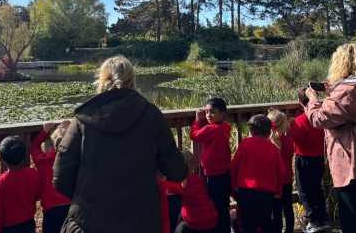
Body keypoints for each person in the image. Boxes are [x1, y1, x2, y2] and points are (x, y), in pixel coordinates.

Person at [53, 55, 187, 233]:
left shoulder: (84, 119)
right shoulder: (151, 115)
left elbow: (61, 177)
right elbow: (176, 171)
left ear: (101, 79)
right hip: (141, 223)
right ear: (132, 80)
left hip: (88, 224)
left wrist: (86, 199)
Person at [305, 43, 356, 233]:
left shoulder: (347, 91)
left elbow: (319, 118)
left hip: (352, 163)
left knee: (352, 216)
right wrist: (332, 95)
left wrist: (313, 98)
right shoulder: (350, 90)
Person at [230, 114, 286, 233]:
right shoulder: (273, 148)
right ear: (269, 132)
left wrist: (234, 188)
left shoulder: (245, 143)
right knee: (264, 222)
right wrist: (278, 190)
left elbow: (234, 166)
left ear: (251, 131)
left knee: (247, 224)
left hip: (246, 192)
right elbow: (281, 172)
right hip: (265, 194)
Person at [290, 87, 329, 233]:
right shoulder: (322, 116)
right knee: (317, 188)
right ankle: (322, 219)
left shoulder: (301, 120)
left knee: (305, 190)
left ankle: (313, 221)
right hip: (319, 157)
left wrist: (291, 126)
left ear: (300, 101)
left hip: (304, 158)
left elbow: (296, 138)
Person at [190, 97, 231, 233]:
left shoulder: (211, 129)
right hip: (224, 172)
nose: (208, 115)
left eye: (212, 112)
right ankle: (224, 228)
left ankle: (218, 229)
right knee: (223, 205)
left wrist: (197, 120)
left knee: (215, 205)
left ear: (222, 114)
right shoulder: (226, 126)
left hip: (214, 174)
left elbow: (194, 135)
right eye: (206, 112)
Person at [0, 135, 41, 233]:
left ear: (1, 160)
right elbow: (37, 195)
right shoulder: (32, 174)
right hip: (28, 223)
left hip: (8, 228)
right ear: (25, 155)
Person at [30, 120, 72, 232]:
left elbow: (34, 147)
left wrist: (45, 130)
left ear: (50, 143)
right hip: (71, 206)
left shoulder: (43, 161)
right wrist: (71, 128)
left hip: (51, 210)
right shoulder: (73, 159)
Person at [175, 150, 218, 233]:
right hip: (212, 220)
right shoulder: (199, 179)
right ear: (193, 165)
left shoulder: (182, 184)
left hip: (195, 224)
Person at [267, 109, 295, 233]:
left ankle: (277, 230)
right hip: (286, 179)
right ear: (283, 125)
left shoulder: (267, 142)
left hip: (272, 181)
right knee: (288, 207)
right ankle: (289, 229)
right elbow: (291, 151)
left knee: (276, 209)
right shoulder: (288, 142)